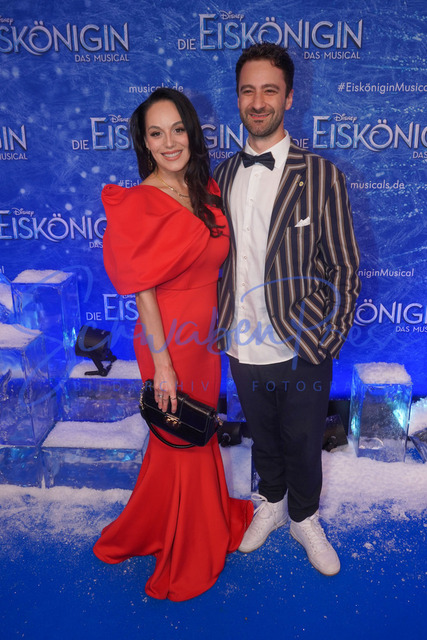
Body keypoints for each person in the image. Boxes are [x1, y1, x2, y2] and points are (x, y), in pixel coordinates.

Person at [93, 88, 253, 601]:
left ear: (191, 132)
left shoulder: (205, 188)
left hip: (204, 339)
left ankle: (172, 519)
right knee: (181, 435)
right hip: (167, 339)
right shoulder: (139, 201)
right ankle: (187, 546)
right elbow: (143, 292)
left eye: (177, 129)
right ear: (144, 142)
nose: (169, 142)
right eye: (156, 133)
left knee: (193, 431)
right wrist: (162, 364)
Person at [213, 43, 360, 576]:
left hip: (302, 342)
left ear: (289, 97)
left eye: (269, 90)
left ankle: (305, 516)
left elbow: (344, 269)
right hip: (240, 341)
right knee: (262, 433)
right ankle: (271, 503)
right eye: (248, 91)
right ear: (238, 98)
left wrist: (327, 337)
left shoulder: (321, 176)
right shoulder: (221, 175)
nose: (258, 102)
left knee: (302, 440)